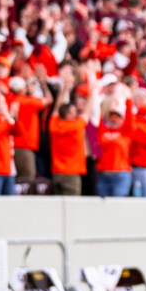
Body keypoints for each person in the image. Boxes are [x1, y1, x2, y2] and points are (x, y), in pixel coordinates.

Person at [48, 67, 99, 197]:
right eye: (74, 111)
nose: (77, 112)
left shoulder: (53, 125)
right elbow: (88, 111)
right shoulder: (76, 127)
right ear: (70, 115)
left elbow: (56, 108)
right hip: (72, 173)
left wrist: (64, 88)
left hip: (56, 172)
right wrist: (94, 90)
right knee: (71, 207)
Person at [96, 101, 135, 198]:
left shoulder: (126, 133)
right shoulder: (102, 132)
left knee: (118, 204)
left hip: (120, 175)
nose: (113, 119)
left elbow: (130, 119)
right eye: (111, 117)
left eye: (117, 117)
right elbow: (97, 117)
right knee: (103, 207)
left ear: (122, 120)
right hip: (103, 175)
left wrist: (128, 101)